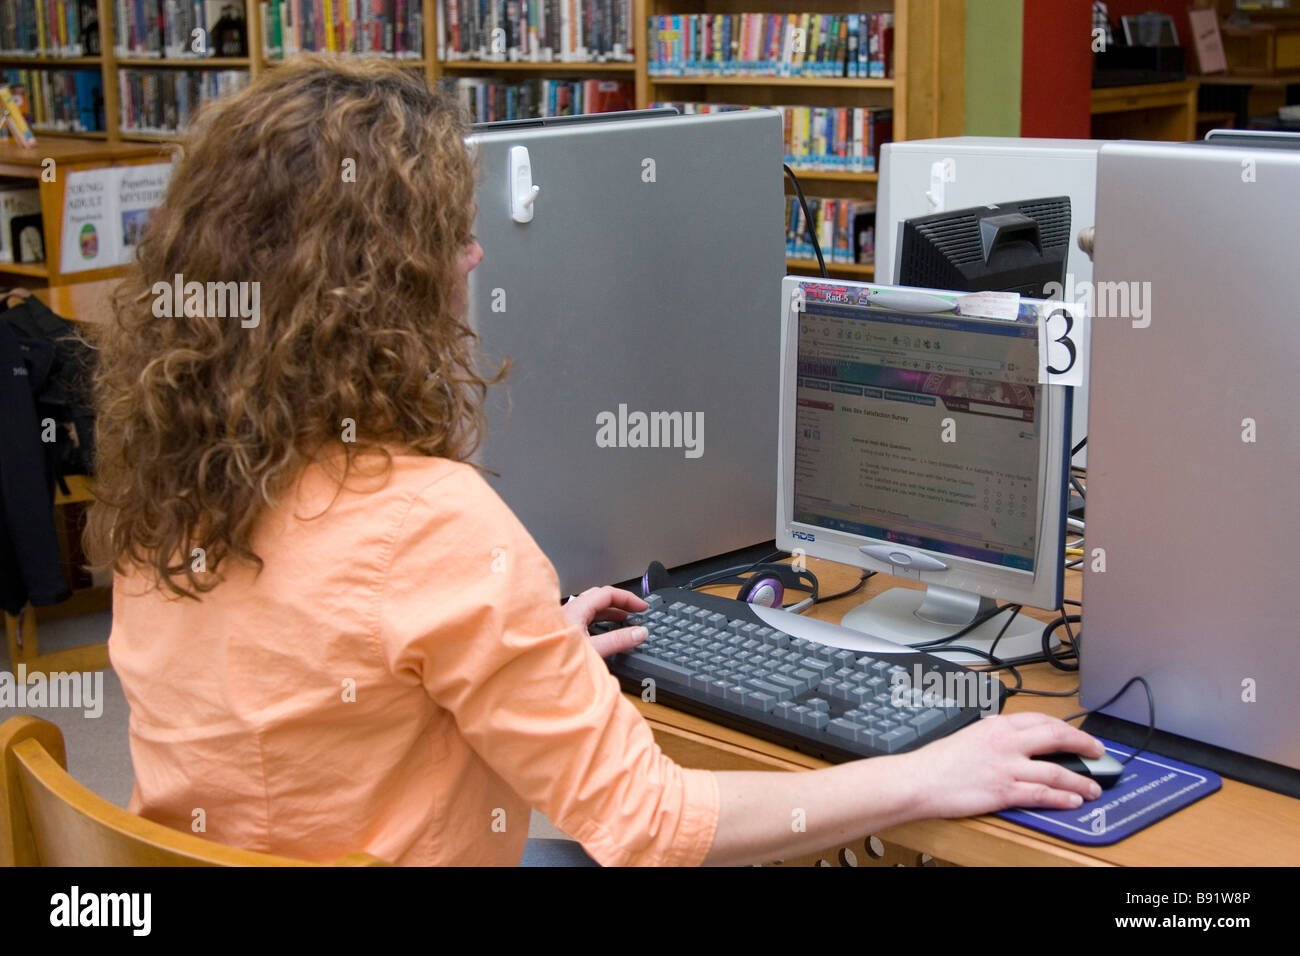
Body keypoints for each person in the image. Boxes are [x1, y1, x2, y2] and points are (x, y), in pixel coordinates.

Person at [87, 55, 1104, 867]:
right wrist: (929, 773)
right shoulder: (429, 520)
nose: (474, 259)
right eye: (447, 239)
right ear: (369, 286)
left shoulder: (171, 483)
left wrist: (519, 640)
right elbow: (649, 829)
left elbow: (315, 678)